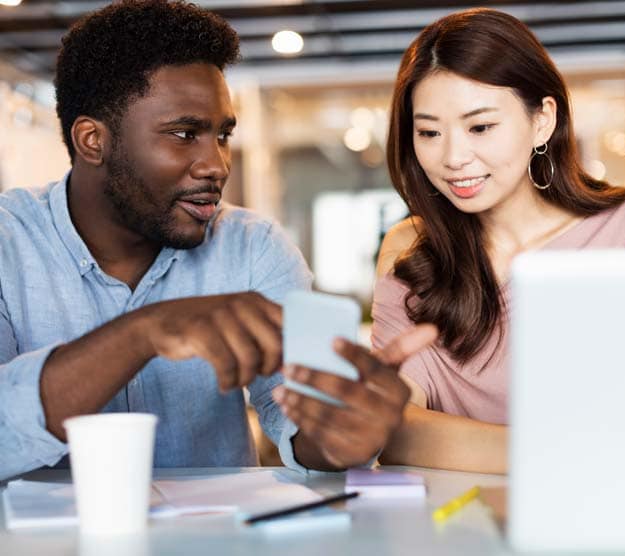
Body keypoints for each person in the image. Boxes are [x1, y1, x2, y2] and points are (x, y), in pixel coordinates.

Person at [0, 0, 437, 481]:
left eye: (223, 135)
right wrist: (144, 331)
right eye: (184, 133)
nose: (217, 165)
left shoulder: (254, 248)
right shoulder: (8, 243)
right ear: (92, 141)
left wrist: (342, 432)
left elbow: (300, 419)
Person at [372, 8, 625, 473]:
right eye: (429, 132)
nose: (453, 157)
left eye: (480, 127)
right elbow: (394, 430)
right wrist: (568, 454)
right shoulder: (414, 259)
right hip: (460, 533)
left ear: (542, 120)